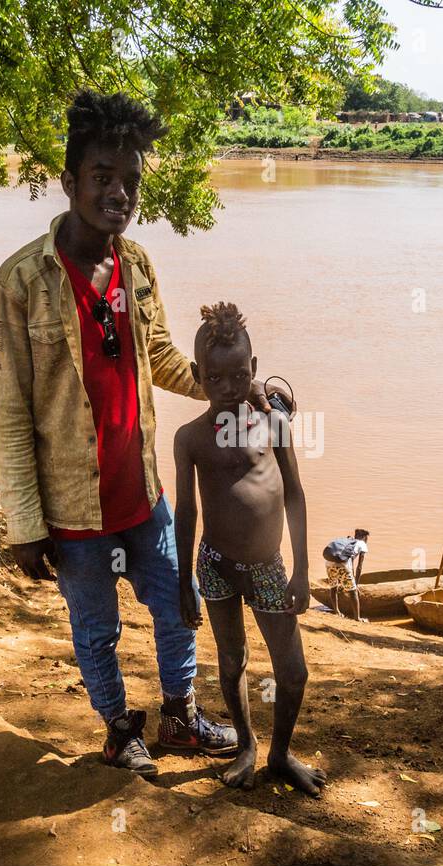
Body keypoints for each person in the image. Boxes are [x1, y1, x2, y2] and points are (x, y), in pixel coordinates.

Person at [0, 90, 289, 778]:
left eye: (130, 180)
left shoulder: (139, 265)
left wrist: (238, 385)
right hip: (72, 507)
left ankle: (180, 716)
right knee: (97, 629)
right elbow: (9, 409)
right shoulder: (22, 281)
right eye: (102, 177)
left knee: (177, 604)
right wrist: (24, 524)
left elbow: (159, 357)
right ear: (69, 183)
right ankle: (120, 729)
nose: (118, 193)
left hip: (144, 491)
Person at [173, 302, 324, 796]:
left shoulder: (273, 426)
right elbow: (187, 512)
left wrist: (302, 571)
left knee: (293, 671)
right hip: (215, 566)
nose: (228, 388)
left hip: (267, 567)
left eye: (239, 375)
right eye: (214, 377)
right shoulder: (190, 438)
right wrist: (183, 583)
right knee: (231, 659)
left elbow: (296, 494)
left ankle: (280, 754)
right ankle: (247, 747)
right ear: (198, 375)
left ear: (253, 371)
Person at [324, 529, 369, 620]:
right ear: (364, 537)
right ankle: (357, 617)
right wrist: (355, 585)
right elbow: (359, 567)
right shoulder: (362, 544)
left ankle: (337, 611)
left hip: (328, 563)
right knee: (353, 592)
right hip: (342, 564)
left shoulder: (348, 540)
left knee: (333, 587)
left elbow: (350, 560)